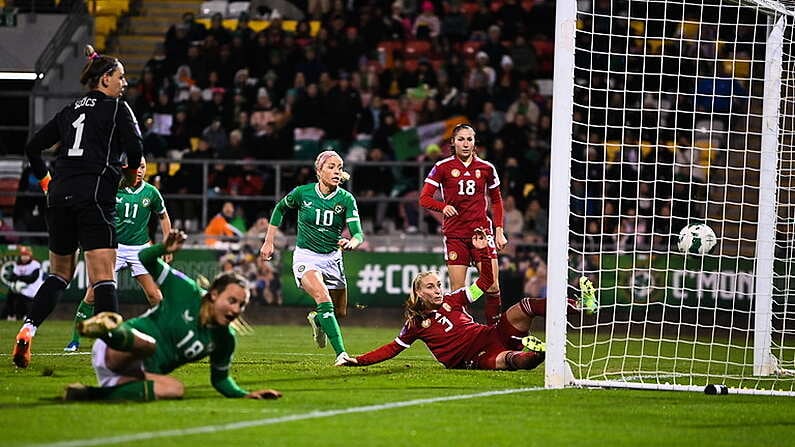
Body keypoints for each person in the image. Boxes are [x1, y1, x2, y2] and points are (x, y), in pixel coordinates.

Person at [12, 44, 143, 369]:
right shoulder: (117, 108)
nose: (124, 84)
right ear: (105, 78)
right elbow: (137, 149)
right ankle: (111, 352)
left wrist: (45, 183)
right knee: (104, 279)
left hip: (59, 196)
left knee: (59, 274)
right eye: (120, 77)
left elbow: (32, 147)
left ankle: (28, 329)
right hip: (94, 195)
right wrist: (126, 175)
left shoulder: (70, 109)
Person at [63, 229, 282, 401]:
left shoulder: (225, 339)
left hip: (136, 373)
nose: (236, 310)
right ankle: (109, 330)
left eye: (242, 305)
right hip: (118, 350)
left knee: (174, 388)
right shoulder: (186, 291)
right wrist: (163, 248)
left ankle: (89, 394)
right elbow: (144, 258)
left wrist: (245, 394)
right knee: (150, 345)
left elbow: (221, 380)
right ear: (214, 295)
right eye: (232, 301)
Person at [339, 230, 598, 370]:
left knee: (525, 306)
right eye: (431, 287)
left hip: (490, 334)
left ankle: (580, 308)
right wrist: (358, 360)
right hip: (474, 357)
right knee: (511, 360)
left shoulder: (456, 298)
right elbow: (392, 349)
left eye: (439, 284)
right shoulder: (415, 324)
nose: (438, 290)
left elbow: (485, 282)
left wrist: (483, 250)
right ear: (419, 293)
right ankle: (540, 353)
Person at [259, 150, 364, 365]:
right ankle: (341, 354)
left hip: (333, 258)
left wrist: (351, 243)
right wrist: (269, 241)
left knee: (339, 312)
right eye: (331, 167)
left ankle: (318, 319)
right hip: (307, 257)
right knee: (323, 298)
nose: (337, 172)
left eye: (340, 168)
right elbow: (280, 208)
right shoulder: (302, 193)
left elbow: (358, 233)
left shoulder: (346, 199)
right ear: (319, 171)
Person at [64, 156, 171, 352]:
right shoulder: (113, 188)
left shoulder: (151, 192)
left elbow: (163, 217)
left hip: (140, 249)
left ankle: (165, 335)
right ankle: (75, 339)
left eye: (143, 167)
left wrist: (166, 244)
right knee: (92, 293)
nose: (139, 170)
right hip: (115, 248)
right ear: (125, 168)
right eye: (136, 167)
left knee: (154, 294)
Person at [419, 123, 507, 324]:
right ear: (453, 142)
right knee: (459, 291)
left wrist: (499, 230)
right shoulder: (442, 167)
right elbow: (424, 198)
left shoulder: (486, 168)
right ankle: (465, 335)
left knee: (493, 286)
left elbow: (496, 201)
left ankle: (496, 333)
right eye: (461, 139)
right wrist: (442, 207)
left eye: (469, 139)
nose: (465, 144)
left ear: (474, 142)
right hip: (455, 235)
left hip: (481, 234)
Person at [0, 246, 43, 321]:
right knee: (10, 294)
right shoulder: (18, 264)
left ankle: (26, 315)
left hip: (32, 287)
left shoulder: (35, 264)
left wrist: (20, 278)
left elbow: (32, 279)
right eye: (23, 255)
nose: (24, 257)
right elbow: (12, 277)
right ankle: (11, 315)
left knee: (24, 298)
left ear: (30, 256)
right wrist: (18, 279)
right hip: (21, 287)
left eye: (26, 255)